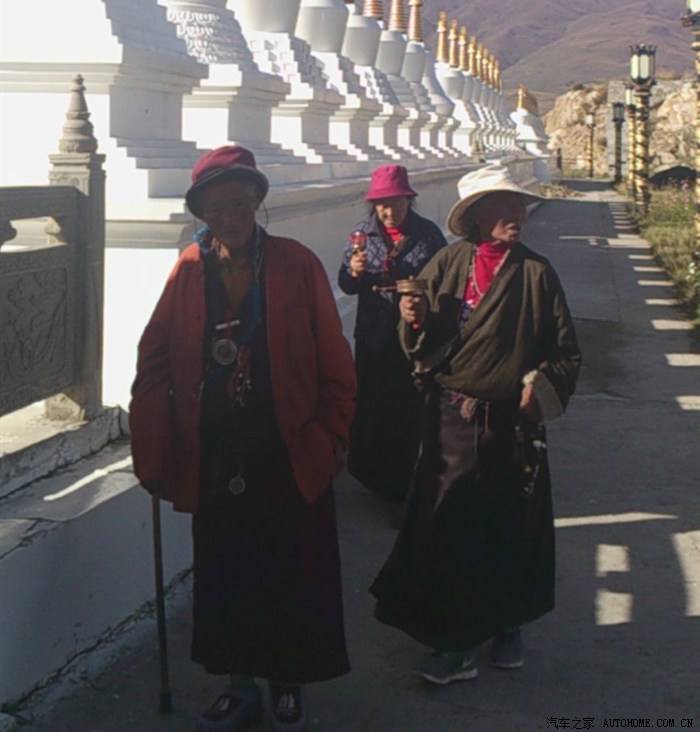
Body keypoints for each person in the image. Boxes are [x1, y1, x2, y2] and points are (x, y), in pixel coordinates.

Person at [129, 146, 356, 732]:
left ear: (257, 202)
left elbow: (334, 354)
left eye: (239, 202)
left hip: (288, 447)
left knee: (290, 569)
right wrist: (152, 443)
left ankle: (287, 682)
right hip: (217, 452)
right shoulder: (188, 270)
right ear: (201, 211)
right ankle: (239, 685)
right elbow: (154, 359)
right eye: (215, 206)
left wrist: (332, 435)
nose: (228, 215)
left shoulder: (295, 262)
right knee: (227, 571)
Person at [370, 164, 581, 683]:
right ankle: (456, 641)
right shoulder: (449, 263)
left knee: (509, 527)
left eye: (519, 205)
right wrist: (414, 320)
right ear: (476, 216)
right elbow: (421, 341)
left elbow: (565, 351)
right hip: (452, 420)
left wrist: (538, 387)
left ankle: (508, 623)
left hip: (511, 426)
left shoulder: (536, 274)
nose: (516, 214)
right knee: (450, 527)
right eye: (503, 206)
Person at [338, 164, 446, 503]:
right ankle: (371, 477)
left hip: (411, 338)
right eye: (381, 204)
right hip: (373, 336)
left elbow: (443, 282)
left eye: (395, 203)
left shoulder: (427, 235)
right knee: (371, 406)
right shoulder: (362, 235)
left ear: (408, 200)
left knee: (406, 410)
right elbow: (346, 284)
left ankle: (404, 486)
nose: (388, 211)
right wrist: (353, 273)